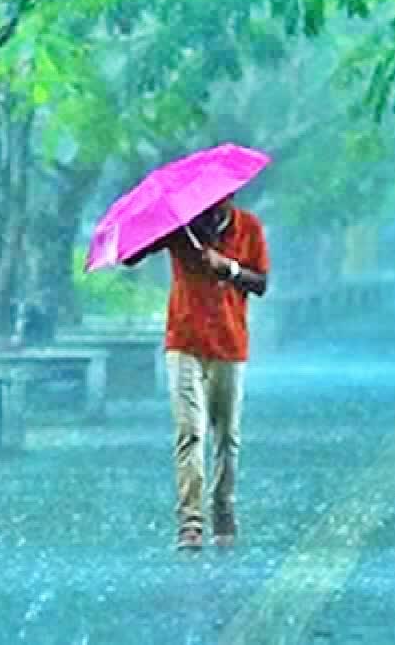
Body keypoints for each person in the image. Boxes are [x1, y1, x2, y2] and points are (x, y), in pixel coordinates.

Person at [125, 194, 269, 550]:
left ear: (229, 202)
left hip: (230, 344)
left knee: (227, 437)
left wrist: (230, 269)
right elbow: (131, 257)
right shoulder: (181, 229)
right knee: (190, 432)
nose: (208, 213)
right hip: (184, 342)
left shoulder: (248, 227)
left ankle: (223, 510)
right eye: (202, 207)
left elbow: (261, 284)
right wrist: (154, 229)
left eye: (216, 206)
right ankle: (190, 521)